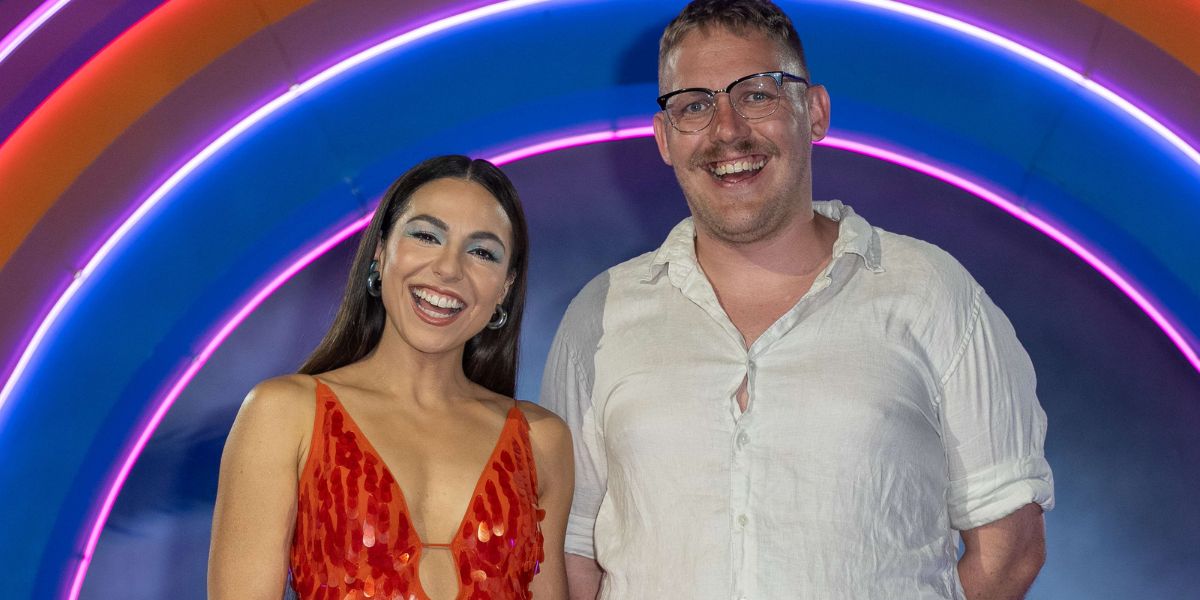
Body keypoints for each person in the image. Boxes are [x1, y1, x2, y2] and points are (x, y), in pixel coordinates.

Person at [540, 1, 1054, 599]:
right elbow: (569, 555)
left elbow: (1009, 550)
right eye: (694, 106)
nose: (727, 130)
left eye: (757, 95)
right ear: (663, 138)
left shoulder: (932, 292)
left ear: (815, 112)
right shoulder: (601, 315)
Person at [209, 155, 573, 600]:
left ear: (506, 287)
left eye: (482, 252)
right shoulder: (284, 413)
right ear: (380, 253)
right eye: (426, 236)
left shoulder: (541, 441)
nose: (448, 269)